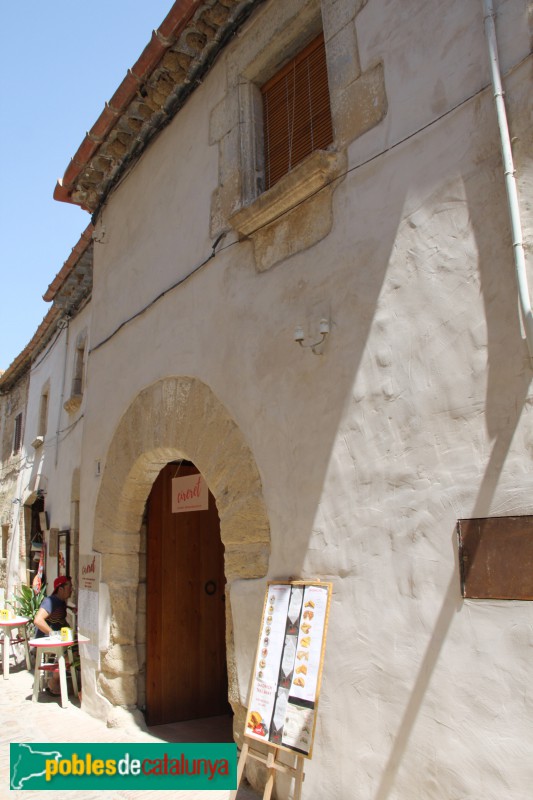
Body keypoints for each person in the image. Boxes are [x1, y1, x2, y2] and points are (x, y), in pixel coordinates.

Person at [33, 576, 73, 695]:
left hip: (58, 640)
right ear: (60, 589)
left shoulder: (61, 603)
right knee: (74, 652)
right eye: (69, 587)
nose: (71, 590)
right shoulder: (51, 601)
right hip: (48, 642)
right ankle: (54, 681)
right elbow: (38, 620)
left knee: (77, 649)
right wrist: (53, 634)